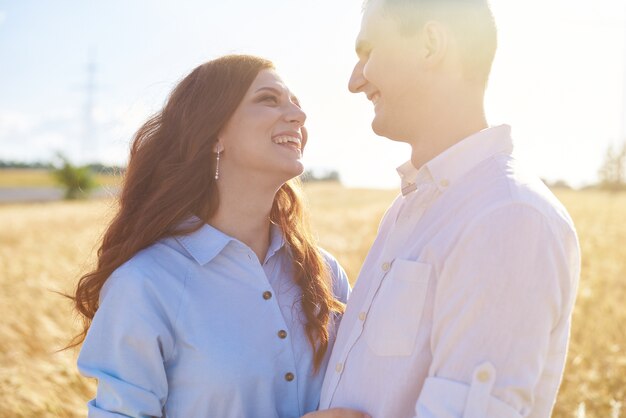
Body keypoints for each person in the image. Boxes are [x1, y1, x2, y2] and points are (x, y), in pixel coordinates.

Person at [319, 1, 581, 417]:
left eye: (368, 52)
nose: (355, 81)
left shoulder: (507, 216)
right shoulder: (407, 209)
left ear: (430, 44)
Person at [73, 55, 368, 418]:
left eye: (296, 103)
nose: (298, 115)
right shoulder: (145, 283)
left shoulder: (325, 273)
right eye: (268, 99)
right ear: (214, 134)